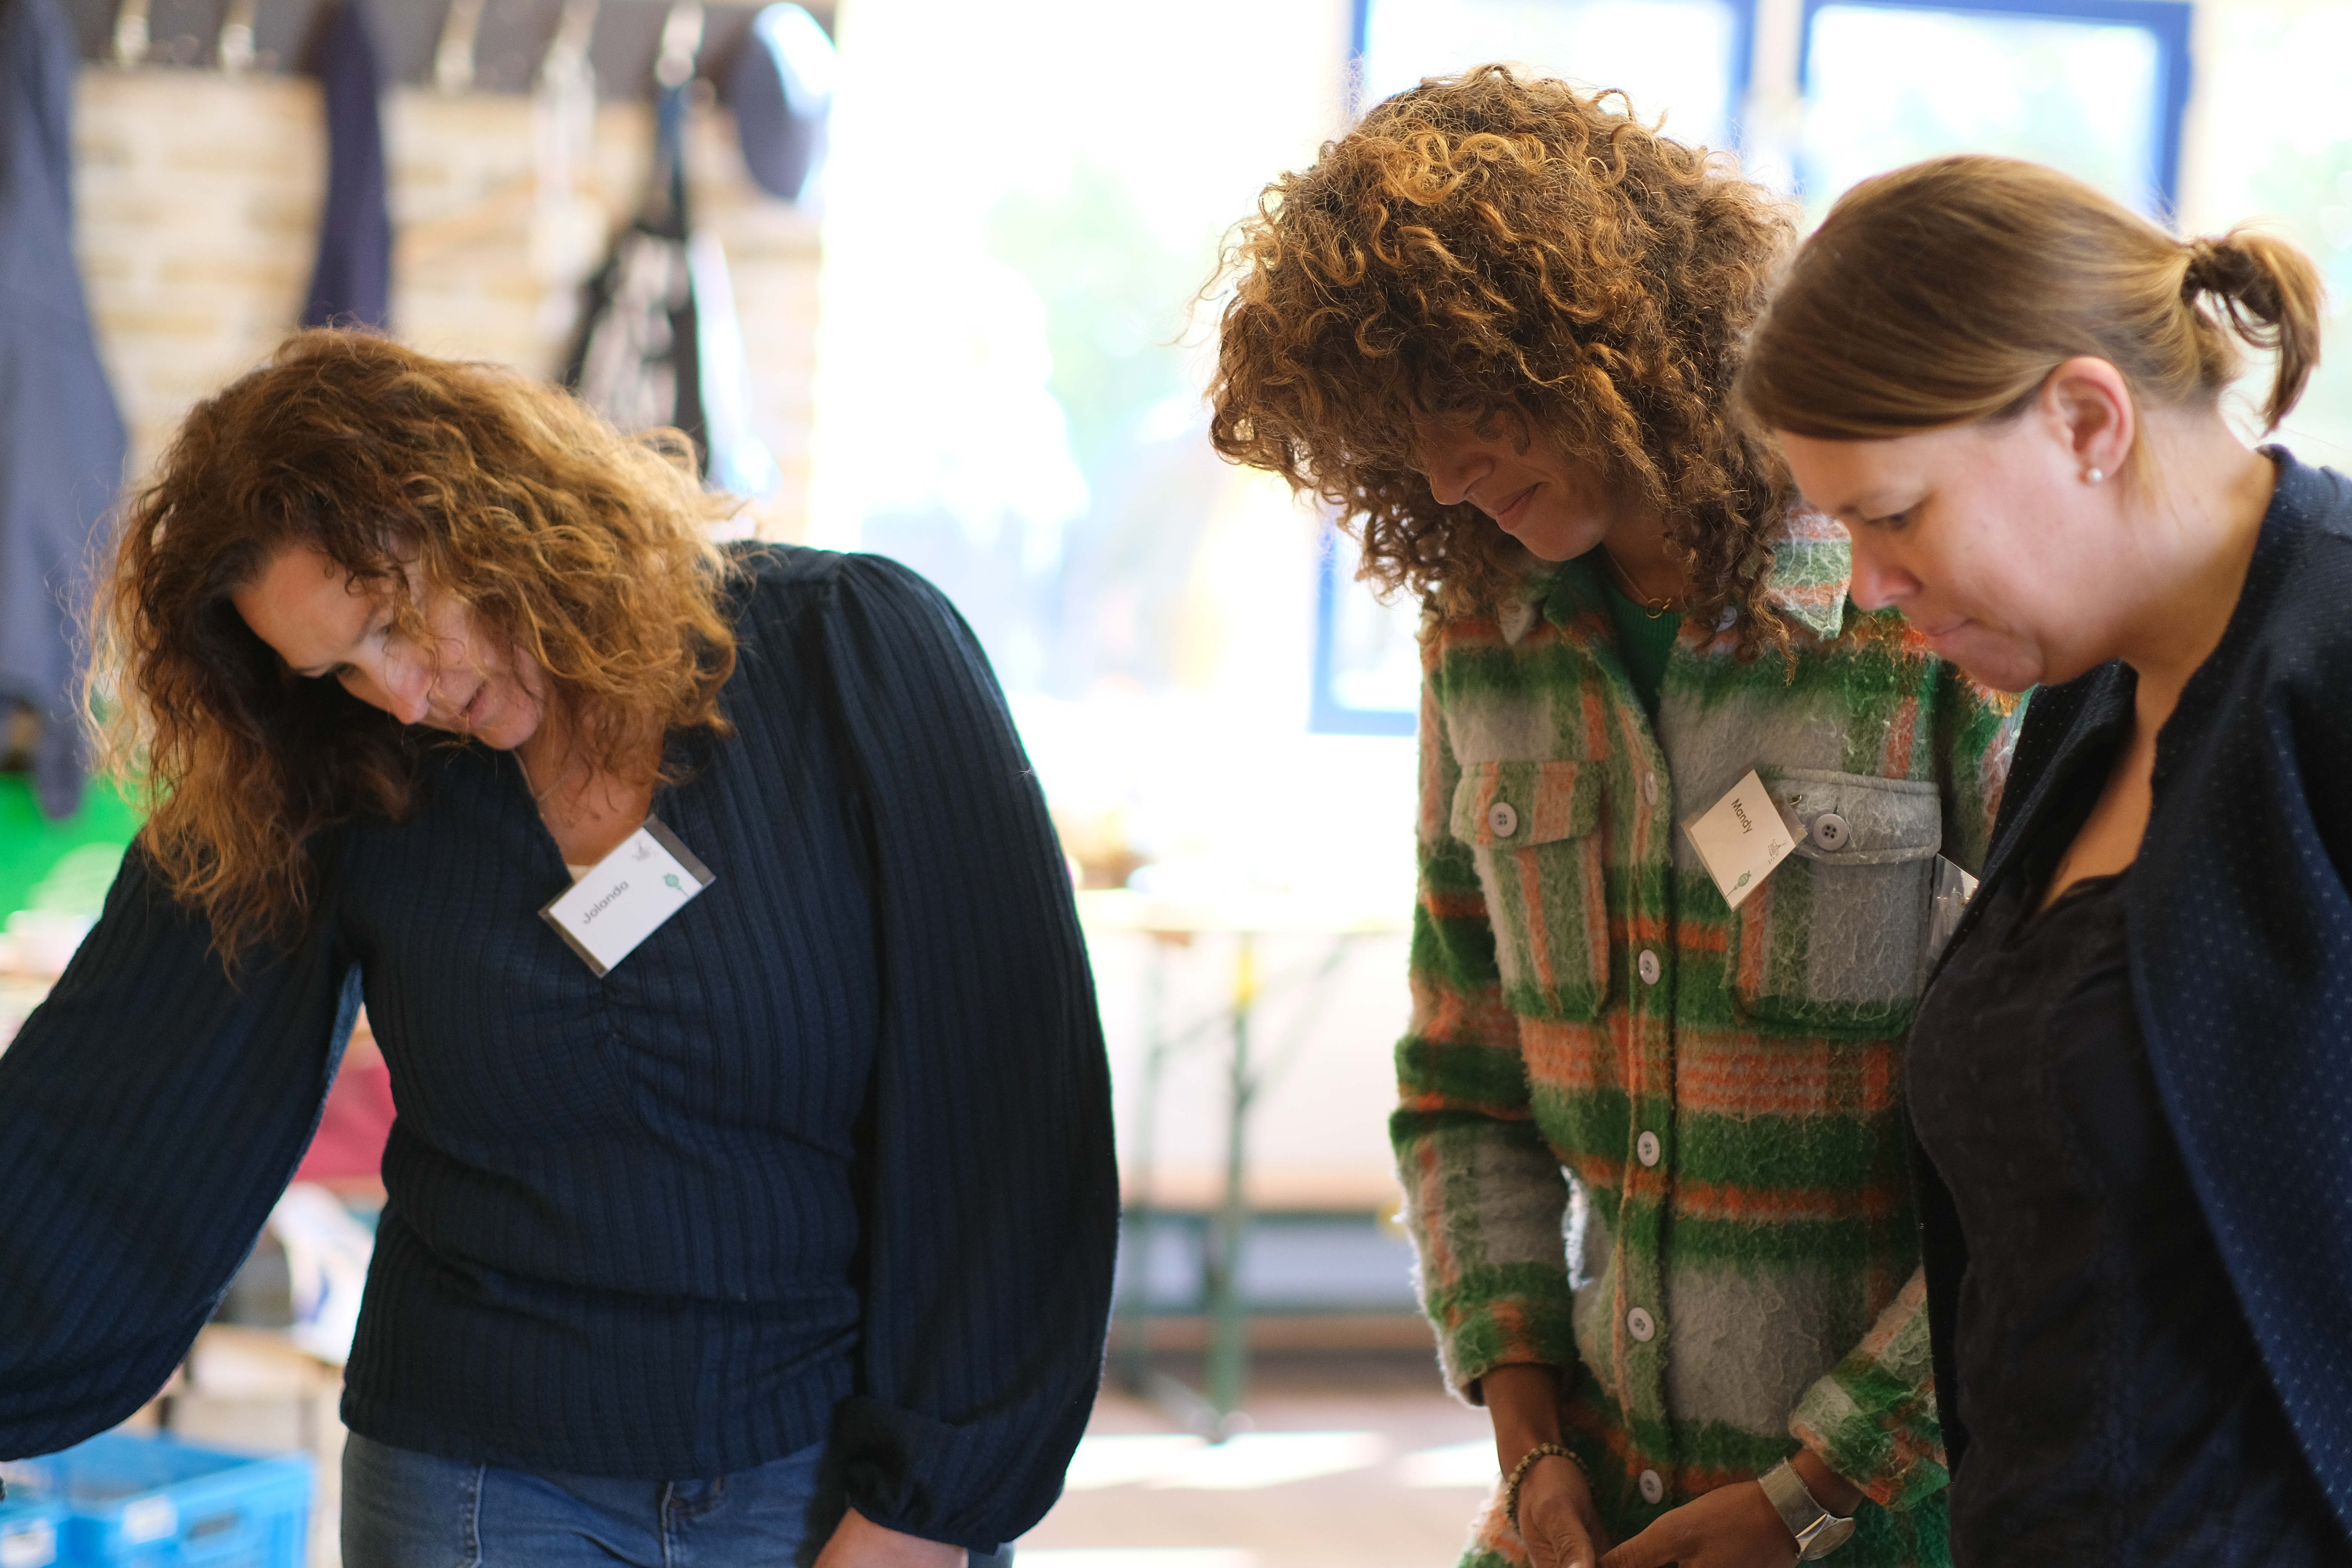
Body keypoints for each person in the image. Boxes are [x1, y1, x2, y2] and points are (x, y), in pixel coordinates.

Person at [0, 330, 1119, 1567]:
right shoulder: (333, 763)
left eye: (393, 619)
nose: (402, 695)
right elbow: (112, 1101)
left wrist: (931, 1500)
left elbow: (1010, 1116)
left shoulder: (851, 653)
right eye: (341, 670)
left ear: (486, 509)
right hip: (472, 1485)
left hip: (821, 1476)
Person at [1209, 67, 2019, 1568]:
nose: (1443, 475)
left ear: (1603, 345)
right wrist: (1530, 1452)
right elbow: (1464, 1087)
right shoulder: (1483, 637)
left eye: (1467, 406)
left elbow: (2060, 1129)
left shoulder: (1916, 609)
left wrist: (1815, 1490)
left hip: (1896, 1509)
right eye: (1397, 438)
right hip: (1592, 1501)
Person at [1740, 154, 2352, 1565]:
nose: (1871, 586)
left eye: (1895, 515)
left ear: (2086, 418)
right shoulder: (2092, 693)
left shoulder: (2327, 673)